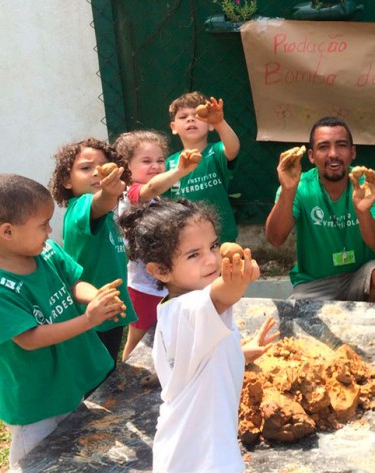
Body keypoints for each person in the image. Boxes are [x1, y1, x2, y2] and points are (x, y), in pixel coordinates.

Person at [0, 174, 124, 470]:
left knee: (70, 448)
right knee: (37, 462)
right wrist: (89, 320)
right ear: (7, 231)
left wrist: (94, 298)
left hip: (64, 383)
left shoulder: (46, 252)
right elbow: (30, 338)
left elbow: (73, 282)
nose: (50, 230)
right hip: (34, 401)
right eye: (43, 224)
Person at [118, 198, 279, 473]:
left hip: (188, 452)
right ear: (160, 270)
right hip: (202, 460)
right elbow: (226, 292)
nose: (211, 259)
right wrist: (237, 273)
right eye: (194, 254)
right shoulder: (190, 308)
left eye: (213, 245)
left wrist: (239, 352)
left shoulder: (179, 309)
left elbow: (196, 365)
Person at [265, 116, 375, 302]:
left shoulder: (372, 185)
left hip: (361, 277)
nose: (333, 154)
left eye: (341, 145)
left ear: (353, 152)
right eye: (323, 147)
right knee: (299, 324)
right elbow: (275, 239)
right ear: (311, 156)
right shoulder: (298, 186)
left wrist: (362, 212)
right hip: (314, 282)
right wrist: (288, 191)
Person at [49, 137, 138, 363]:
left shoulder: (108, 214)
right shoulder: (79, 208)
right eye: (86, 168)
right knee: (96, 373)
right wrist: (109, 193)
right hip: (91, 308)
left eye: (102, 166)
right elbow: (99, 203)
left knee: (107, 364)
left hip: (107, 305)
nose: (97, 173)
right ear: (66, 181)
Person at [114, 130, 199, 361]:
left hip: (161, 280)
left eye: (160, 160)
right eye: (146, 161)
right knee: (138, 338)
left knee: (165, 330)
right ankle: (126, 377)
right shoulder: (130, 193)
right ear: (126, 167)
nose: (155, 166)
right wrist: (179, 171)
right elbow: (150, 188)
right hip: (143, 286)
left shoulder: (156, 199)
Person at [164, 92, 241, 242]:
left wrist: (220, 122)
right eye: (183, 117)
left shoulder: (216, 151)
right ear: (174, 127)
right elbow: (165, 202)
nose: (190, 119)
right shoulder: (169, 163)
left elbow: (233, 148)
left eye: (197, 115)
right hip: (184, 238)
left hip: (221, 236)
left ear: (210, 124)